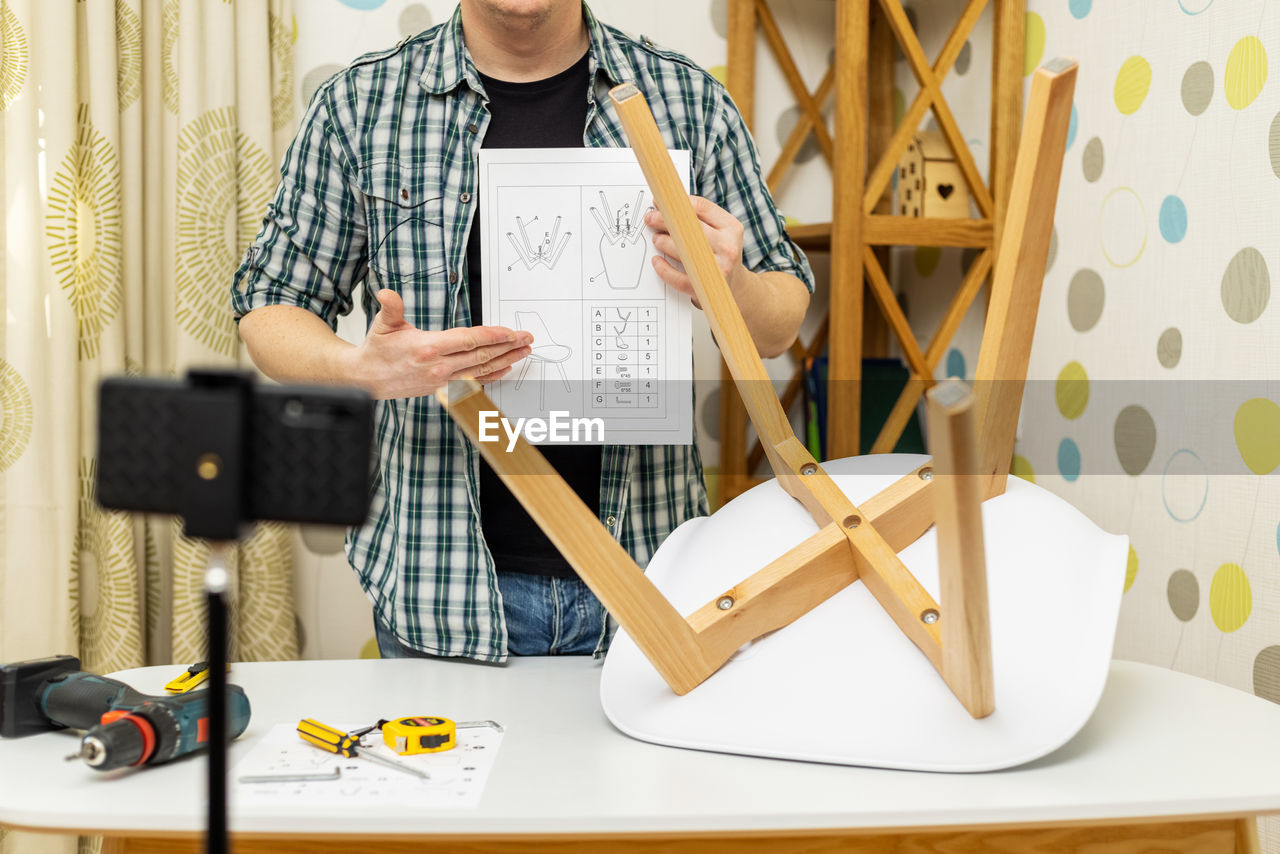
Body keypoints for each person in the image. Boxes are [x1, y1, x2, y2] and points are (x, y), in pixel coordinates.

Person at [232, 0, 813, 662]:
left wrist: (729, 279)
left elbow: (779, 320)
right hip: (438, 587)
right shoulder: (362, 104)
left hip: (651, 581)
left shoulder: (686, 99)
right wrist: (358, 369)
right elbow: (270, 305)